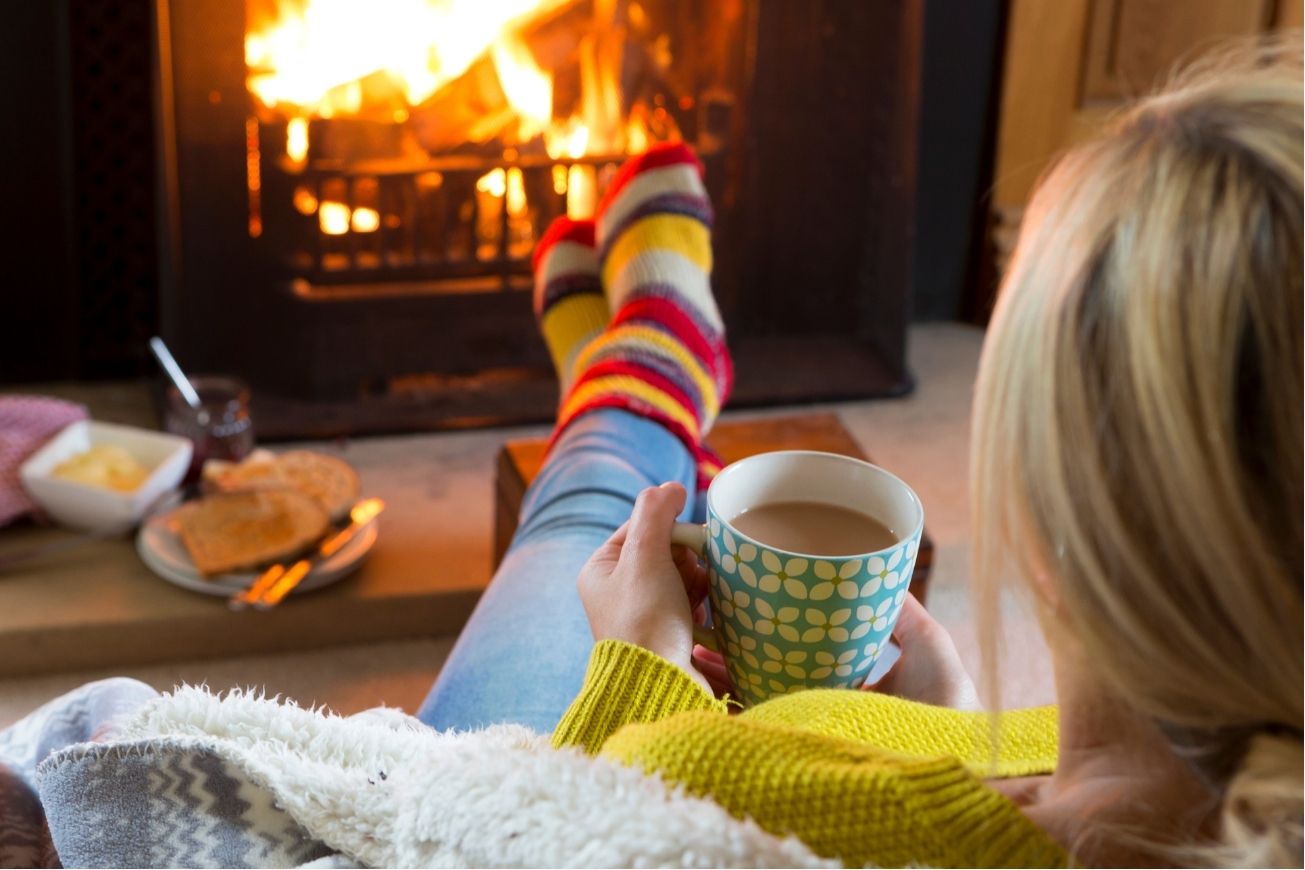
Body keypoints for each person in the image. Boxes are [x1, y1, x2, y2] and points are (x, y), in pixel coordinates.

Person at [416, 38, 1303, 867]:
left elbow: (525, 837)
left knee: (592, 512)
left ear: (1068, 506)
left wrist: (641, 667)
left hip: (556, 781)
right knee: (605, 490)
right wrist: (951, 734)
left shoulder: (700, 781)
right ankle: (640, 376)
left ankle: (644, 372)